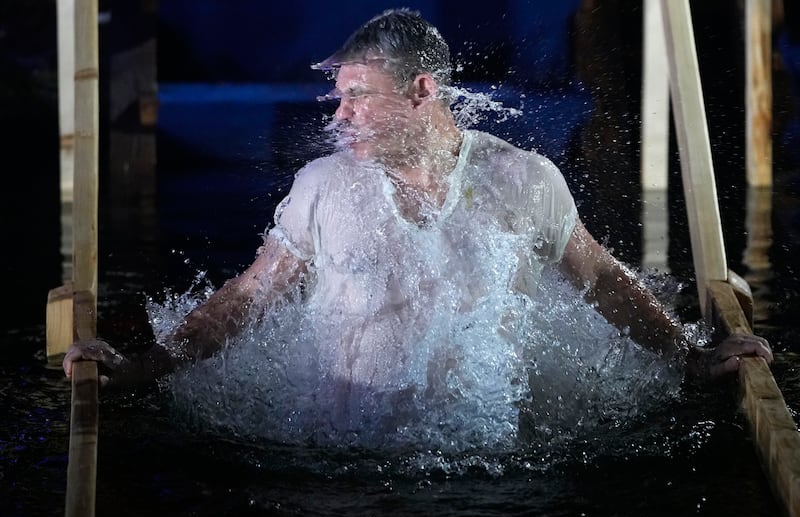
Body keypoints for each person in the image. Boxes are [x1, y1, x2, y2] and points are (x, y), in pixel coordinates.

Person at [64, 9, 771, 398]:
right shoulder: (322, 187)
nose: (338, 115)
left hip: (485, 477)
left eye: (357, 95)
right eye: (338, 95)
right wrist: (142, 367)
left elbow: (603, 280)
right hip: (341, 474)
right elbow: (247, 297)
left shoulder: (521, 179)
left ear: (422, 91)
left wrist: (690, 359)